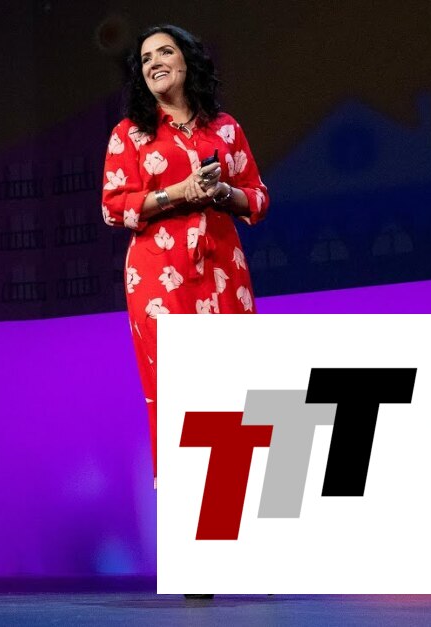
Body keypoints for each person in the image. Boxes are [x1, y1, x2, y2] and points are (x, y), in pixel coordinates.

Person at [101, 25, 270, 481]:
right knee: (176, 379)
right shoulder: (130, 134)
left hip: (223, 263)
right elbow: (113, 207)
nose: (154, 62)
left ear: (187, 61)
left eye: (164, 52)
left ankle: (243, 482)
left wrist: (221, 193)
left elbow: (257, 198)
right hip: (160, 271)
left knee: (237, 372)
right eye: (145, 58)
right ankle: (185, 485)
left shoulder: (226, 127)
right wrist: (176, 192)